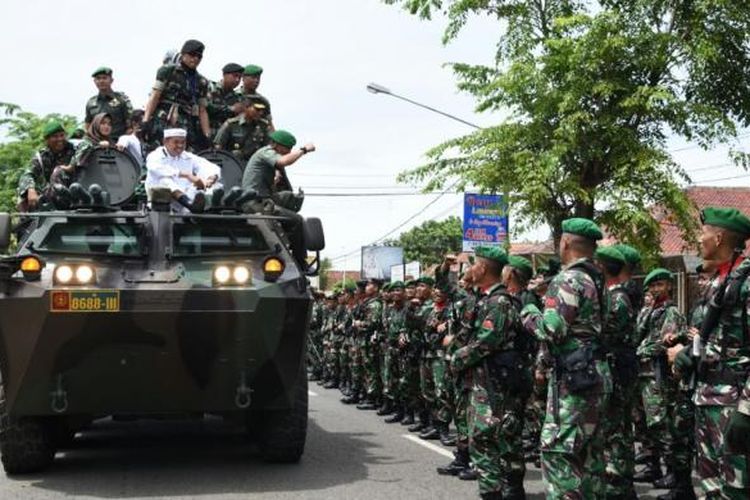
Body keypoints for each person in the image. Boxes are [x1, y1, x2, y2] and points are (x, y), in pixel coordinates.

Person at [521, 218, 612, 499]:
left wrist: (528, 311)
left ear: (566, 243)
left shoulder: (568, 279)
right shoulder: (596, 279)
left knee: (560, 452)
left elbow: (551, 330)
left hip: (574, 380)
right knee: (591, 459)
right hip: (594, 373)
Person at [673, 207, 750, 499]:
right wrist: (690, 353)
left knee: (736, 487)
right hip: (707, 398)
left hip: (733, 404)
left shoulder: (746, 282)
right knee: (709, 485)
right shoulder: (719, 282)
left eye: (703, 233)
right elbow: (710, 338)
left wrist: (747, 411)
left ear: (719, 238)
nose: (699, 239)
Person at [451, 246, 527, 500]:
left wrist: (457, 357)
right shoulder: (486, 298)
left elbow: (486, 342)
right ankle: (503, 489)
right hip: (488, 379)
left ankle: (498, 491)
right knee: (496, 436)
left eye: (474, 264)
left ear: (482, 268)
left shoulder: (498, 302)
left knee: (488, 438)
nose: (470, 269)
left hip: (496, 382)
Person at [594, 246, 640, 499]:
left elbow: (605, 335)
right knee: (616, 428)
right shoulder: (614, 295)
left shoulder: (618, 298)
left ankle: (619, 483)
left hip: (619, 372)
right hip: (617, 368)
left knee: (617, 429)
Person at [241, 129, 314, 267]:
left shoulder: (265, 154)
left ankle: (288, 243)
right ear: (277, 145)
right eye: (288, 148)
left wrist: (273, 181)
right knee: (296, 220)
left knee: (290, 198)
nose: (289, 151)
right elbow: (282, 162)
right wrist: (303, 150)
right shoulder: (266, 152)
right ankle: (299, 261)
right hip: (254, 204)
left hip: (262, 199)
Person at [142, 39, 211, 151]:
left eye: (199, 56)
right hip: (163, 121)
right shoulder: (167, 71)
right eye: (192, 55)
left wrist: (207, 135)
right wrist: (145, 121)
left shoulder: (201, 81)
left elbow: (202, 110)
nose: (196, 59)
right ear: (183, 54)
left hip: (186, 125)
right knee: (158, 155)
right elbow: (155, 96)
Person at [144, 128, 220, 213]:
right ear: (165, 142)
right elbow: (155, 169)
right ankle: (190, 205)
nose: (180, 145)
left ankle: (214, 203)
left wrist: (211, 178)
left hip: (187, 199)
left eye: (183, 142)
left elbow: (208, 166)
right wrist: (186, 175)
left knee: (216, 185)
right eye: (176, 142)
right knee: (165, 181)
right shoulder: (155, 155)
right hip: (164, 202)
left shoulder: (187, 156)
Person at [17, 120, 75, 211]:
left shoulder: (74, 149)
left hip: (76, 191)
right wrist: (30, 189)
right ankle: (28, 221)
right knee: (24, 195)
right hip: (53, 195)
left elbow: (88, 144)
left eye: (62, 135)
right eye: (55, 136)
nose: (60, 139)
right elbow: (27, 174)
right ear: (47, 140)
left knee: (59, 171)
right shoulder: (42, 156)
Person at [66, 112, 118, 183]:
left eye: (109, 124)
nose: (106, 126)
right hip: (86, 181)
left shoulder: (112, 143)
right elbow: (77, 161)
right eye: (103, 123)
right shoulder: (86, 141)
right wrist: (98, 145)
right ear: (96, 124)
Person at [213, 99, 270, 163]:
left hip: (253, 165)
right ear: (246, 108)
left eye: (262, 111)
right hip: (233, 163)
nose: (260, 113)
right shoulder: (231, 124)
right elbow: (218, 147)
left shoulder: (263, 126)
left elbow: (268, 149)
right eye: (257, 110)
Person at [85, 67, 133, 140]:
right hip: (98, 145)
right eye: (98, 78)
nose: (101, 81)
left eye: (104, 78)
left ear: (111, 80)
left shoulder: (121, 100)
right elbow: (88, 126)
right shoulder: (91, 103)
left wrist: (123, 142)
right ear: (94, 81)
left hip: (118, 145)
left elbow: (130, 126)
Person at [207, 63, 246, 137]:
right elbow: (206, 107)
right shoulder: (210, 88)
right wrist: (230, 109)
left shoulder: (238, 98)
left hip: (224, 138)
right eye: (235, 76)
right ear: (224, 75)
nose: (237, 80)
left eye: (239, 78)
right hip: (205, 133)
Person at [239, 64, 274, 131]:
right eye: (253, 77)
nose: (256, 81)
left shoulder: (262, 101)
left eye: (258, 78)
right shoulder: (234, 96)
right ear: (243, 78)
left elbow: (269, 125)